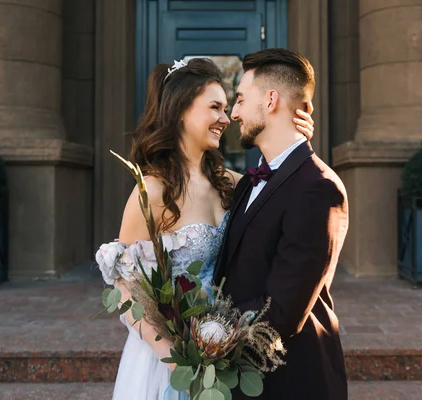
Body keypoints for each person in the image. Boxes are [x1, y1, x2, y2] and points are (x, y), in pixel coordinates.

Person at [96, 57, 314, 400]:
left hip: (223, 353)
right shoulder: (152, 192)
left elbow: (284, 188)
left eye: (228, 108)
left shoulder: (231, 184)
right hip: (168, 360)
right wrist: (177, 362)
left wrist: (296, 142)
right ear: (181, 110)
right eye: (215, 107)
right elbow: (127, 291)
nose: (226, 119)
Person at [214, 48, 349, 399]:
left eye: (240, 99)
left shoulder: (318, 187)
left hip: (289, 381)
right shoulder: (251, 181)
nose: (234, 112)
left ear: (271, 100)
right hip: (242, 376)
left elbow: (284, 311)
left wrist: (205, 329)